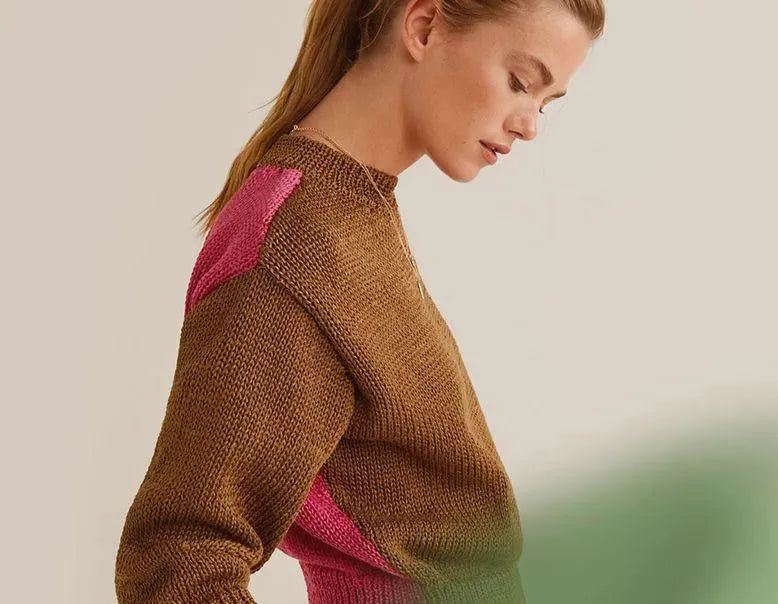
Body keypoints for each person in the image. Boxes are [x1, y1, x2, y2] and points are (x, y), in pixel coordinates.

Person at [114, 0, 604, 601]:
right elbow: (177, 564)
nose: (530, 125)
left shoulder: (351, 209)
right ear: (424, 26)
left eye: (546, 103)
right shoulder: (290, 248)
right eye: (520, 82)